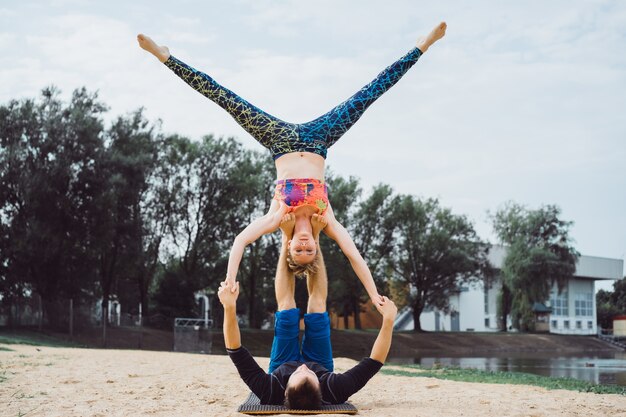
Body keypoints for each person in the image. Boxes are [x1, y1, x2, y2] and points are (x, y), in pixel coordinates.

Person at [137, 22, 447, 306]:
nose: (303, 246)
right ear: (314, 246)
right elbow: (354, 256)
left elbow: (240, 241)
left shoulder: (276, 217)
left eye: (298, 251)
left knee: (225, 99)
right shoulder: (326, 219)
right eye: (309, 250)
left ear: (288, 249)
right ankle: (421, 46)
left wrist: (230, 282)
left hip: (279, 140)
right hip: (319, 139)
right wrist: (374, 293)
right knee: (368, 94)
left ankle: (166, 57)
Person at [217, 214, 398, 409]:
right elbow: (375, 361)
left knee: (286, 308)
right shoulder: (335, 388)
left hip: (281, 364)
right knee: (318, 307)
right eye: (309, 374)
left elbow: (235, 350)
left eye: (297, 373)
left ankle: (287, 239)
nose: (303, 366)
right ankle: (315, 237)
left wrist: (229, 307)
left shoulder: (270, 389)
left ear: (285, 391)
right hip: (321, 363)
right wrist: (388, 320)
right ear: (321, 391)